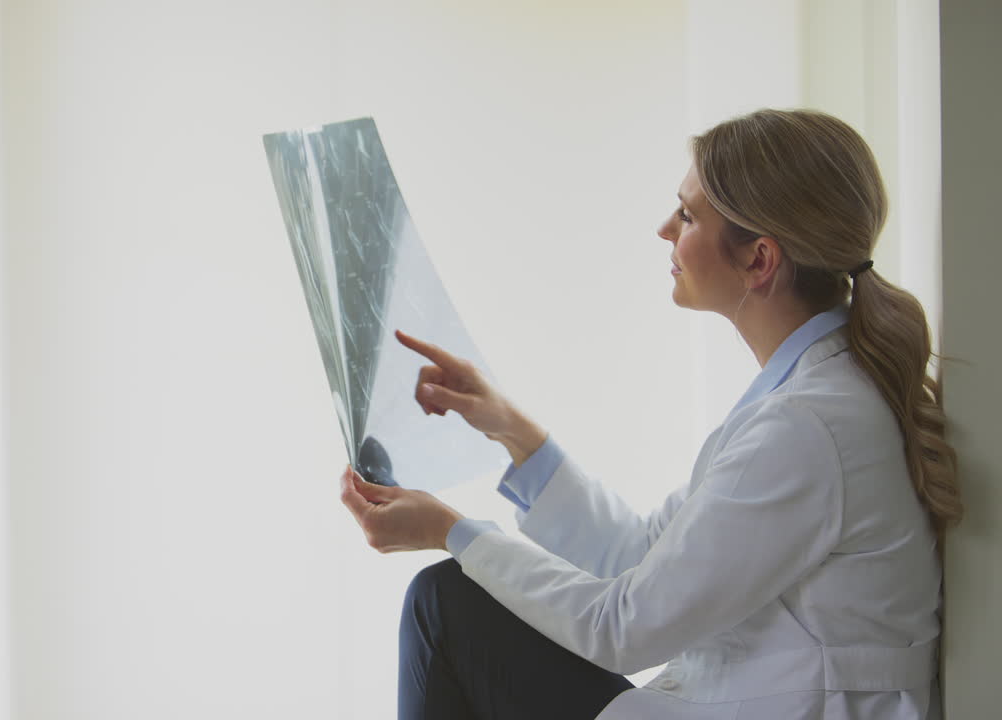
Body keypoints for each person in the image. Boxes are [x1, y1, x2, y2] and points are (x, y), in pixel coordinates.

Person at [338, 109, 962, 720]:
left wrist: (449, 529)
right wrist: (510, 428)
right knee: (451, 597)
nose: (665, 228)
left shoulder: (807, 428)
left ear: (760, 261)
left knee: (444, 604)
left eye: (687, 215)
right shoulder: (812, 398)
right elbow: (639, 556)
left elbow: (625, 628)